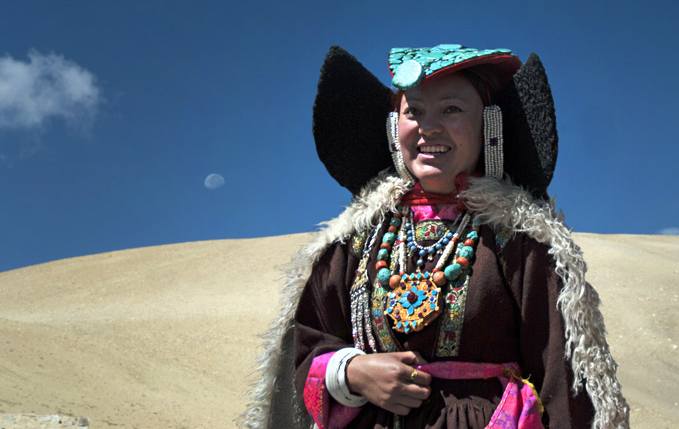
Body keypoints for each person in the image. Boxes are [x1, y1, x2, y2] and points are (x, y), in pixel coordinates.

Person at [239, 44, 630, 429]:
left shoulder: (519, 242)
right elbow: (305, 343)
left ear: (489, 125)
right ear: (395, 128)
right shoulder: (354, 243)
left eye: (452, 109)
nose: (429, 127)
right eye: (414, 112)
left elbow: (566, 384)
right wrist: (352, 372)